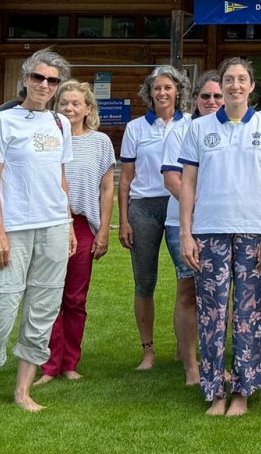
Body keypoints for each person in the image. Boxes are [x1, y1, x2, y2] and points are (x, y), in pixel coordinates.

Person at [0, 49, 75, 419]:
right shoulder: (3, 121)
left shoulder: (61, 124)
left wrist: (69, 222)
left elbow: (61, 179)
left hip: (54, 228)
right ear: (26, 78)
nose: (45, 85)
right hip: (12, 229)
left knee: (42, 312)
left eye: (52, 80)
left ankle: (22, 391)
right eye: (38, 78)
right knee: (1, 311)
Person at [178, 57, 261, 416]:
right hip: (209, 230)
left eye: (242, 79)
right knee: (212, 312)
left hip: (253, 230)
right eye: (229, 79)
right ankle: (215, 390)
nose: (235, 85)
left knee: (250, 312)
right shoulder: (199, 128)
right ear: (220, 86)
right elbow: (188, 183)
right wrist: (186, 232)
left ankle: (243, 389)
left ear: (252, 86)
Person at [38, 81, 117, 384]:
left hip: (83, 226)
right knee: (48, 296)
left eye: (75, 103)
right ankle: (48, 364)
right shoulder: (46, 138)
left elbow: (107, 189)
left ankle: (70, 362)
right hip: (49, 222)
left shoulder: (100, 143)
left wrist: (104, 232)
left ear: (88, 109)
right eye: (63, 103)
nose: (69, 108)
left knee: (74, 297)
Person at [118, 65, 190, 371]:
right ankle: (147, 351)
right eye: (157, 88)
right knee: (144, 281)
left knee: (187, 281)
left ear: (178, 91)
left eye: (168, 87)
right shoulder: (136, 128)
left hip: (178, 205)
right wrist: (123, 219)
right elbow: (124, 179)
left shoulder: (193, 124)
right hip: (144, 207)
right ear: (149, 93)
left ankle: (184, 347)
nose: (162, 92)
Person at [160, 70, 221, 385]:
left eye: (218, 96)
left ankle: (216, 357)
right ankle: (191, 365)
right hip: (181, 221)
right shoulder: (182, 130)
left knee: (218, 293)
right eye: (206, 96)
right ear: (195, 99)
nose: (212, 102)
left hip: (221, 224)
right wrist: (201, 205)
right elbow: (172, 177)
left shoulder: (232, 130)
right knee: (188, 291)